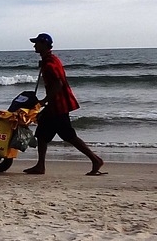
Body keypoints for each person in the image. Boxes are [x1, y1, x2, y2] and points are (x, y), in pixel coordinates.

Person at [23, 33, 105, 176]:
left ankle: (95, 159)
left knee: (68, 135)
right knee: (42, 133)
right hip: (56, 105)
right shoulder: (51, 60)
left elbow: (58, 84)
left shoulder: (50, 63)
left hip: (58, 106)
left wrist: (44, 101)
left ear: (44, 44)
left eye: (37, 43)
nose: (34, 45)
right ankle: (40, 165)